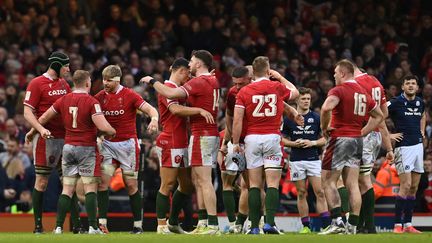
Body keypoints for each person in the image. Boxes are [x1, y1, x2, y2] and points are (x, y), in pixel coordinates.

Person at [26, 70, 116, 234]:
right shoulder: (91, 101)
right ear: (87, 83)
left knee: (67, 188)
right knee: (90, 187)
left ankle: (58, 227)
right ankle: (92, 227)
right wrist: (112, 131)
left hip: (68, 148)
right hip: (86, 148)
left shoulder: (63, 99)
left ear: (74, 83)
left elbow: (44, 117)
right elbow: (103, 127)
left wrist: (33, 131)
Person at [141, 50, 220, 234]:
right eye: (188, 70)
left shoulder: (190, 88)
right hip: (170, 140)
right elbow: (175, 109)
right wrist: (199, 110)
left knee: (187, 185)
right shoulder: (168, 87)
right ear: (182, 71)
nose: (190, 74)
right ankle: (161, 225)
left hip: (185, 141)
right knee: (167, 184)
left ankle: (174, 222)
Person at [232, 56, 299, 234]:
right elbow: (295, 92)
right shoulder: (276, 86)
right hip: (272, 137)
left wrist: (236, 142)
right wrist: (279, 77)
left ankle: (254, 227)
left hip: (252, 139)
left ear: (253, 72)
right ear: (268, 70)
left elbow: (237, 121)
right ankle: (269, 223)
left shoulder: (244, 91)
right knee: (272, 184)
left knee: (254, 185)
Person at [319, 59, 383, 235]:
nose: (333, 76)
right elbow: (379, 116)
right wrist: (362, 132)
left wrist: (324, 128)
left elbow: (325, 108)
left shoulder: (338, 90)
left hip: (339, 137)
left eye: (334, 72)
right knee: (353, 184)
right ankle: (353, 226)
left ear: (342, 73)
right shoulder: (363, 92)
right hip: (356, 140)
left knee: (327, 181)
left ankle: (336, 222)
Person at [95, 65, 159, 234]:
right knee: (103, 184)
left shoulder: (130, 95)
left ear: (117, 80)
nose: (105, 83)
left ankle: (138, 225)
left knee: (131, 185)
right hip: (108, 145)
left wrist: (154, 119)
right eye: (104, 79)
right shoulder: (100, 97)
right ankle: (102, 225)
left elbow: (151, 109)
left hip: (128, 147)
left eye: (109, 80)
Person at [23, 51, 82, 234]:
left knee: (70, 182)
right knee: (41, 182)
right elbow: (27, 112)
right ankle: (38, 226)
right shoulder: (36, 83)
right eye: (65, 66)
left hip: (66, 138)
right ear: (56, 65)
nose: (68, 69)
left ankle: (77, 227)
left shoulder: (64, 84)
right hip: (46, 139)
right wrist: (39, 130)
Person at [282, 87, 330, 233]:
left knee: (319, 192)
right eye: (303, 99)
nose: (306, 101)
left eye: (308, 99)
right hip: (296, 160)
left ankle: (326, 225)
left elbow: (325, 138)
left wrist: (313, 143)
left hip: (313, 159)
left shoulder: (316, 117)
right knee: (301, 193)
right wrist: (293, 144)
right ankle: (306, 227)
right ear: (297, 100)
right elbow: (281, 139)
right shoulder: (289, 119)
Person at [354, 67, 394, 233]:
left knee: (362, 180)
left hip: (364, 133)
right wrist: (389, 148)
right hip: (375, 135)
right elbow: (383, 115)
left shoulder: (356, 83)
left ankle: (367, 225)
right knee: (360, 179)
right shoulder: (376, 82)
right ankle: (363, 225)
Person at [387, 75, 426, 234]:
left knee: (414, 187)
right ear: (402, 87)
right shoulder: (395, 102)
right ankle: (397, 225)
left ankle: (408, 224)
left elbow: (423, 115)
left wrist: (422, 130)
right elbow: (378, 115)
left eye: (413, 84)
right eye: (407, 83)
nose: (411, 86)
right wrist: (388, 135)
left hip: (418, 146)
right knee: (406, 185)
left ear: (417, 87)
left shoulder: (420, 102)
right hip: (403, 148)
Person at [218, 66, 251, 233]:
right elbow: (229, 117)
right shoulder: (232, 93)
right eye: (235, 83)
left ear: (249, 79)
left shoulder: (258, 92)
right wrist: (227, 142)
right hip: (235, 143)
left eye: (241, 84)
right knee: (227, 182)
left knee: (252, 184)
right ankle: (233, 224)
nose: (237, 87)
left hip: (253, 142)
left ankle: (253, 222)